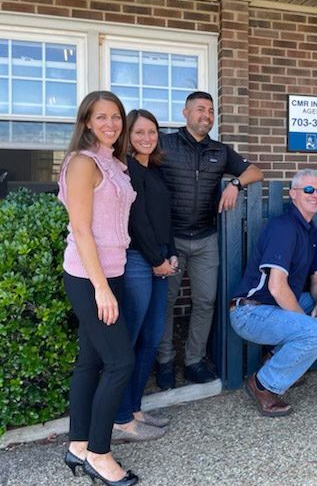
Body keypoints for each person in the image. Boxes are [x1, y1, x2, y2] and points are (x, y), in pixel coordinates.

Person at [156, 91, 263, 389]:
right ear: (185, 112)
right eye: (200, 109)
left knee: (205, 301)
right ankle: (164, 361)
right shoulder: (164, 145)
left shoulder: (220, 150)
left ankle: (194, 361)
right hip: (170, 239)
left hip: (205, 238)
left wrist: (235, 183)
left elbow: (256, 171)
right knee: (165, 301)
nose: (206, 115)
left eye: (211, 111)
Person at [58, 91, 138, 485]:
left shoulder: (112, 162)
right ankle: (99, 454)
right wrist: (101, 289)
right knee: (121, 362)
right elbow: (81, 230)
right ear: (87, 122)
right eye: (101, 117)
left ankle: (77, 445)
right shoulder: (82, 164)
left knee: (91, 361)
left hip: (114, 271)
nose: (111, 124)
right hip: (90, 276)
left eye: (116, 117)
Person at [229, 169, 317, 416]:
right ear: (293, 194)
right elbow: (276, 286)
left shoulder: (310, 230)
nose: (315, 195)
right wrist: (307, 323)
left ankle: (275, 358)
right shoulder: (284, 228)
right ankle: (263, 384)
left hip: (276, 307)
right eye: (309, 190)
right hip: (251, 312)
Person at [112, 110, 178, 443]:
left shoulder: (154, 170)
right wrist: (156, 258)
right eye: (139, 132)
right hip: (139, 261)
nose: (147, 138)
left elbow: (165, 217)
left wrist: (171, 253)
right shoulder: (128, 169)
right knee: (131, 339)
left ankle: (135, 409)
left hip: (160, 260)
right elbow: (137, 220)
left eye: (152, 132)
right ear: (127, 135)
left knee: (151, 337)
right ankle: (121, 418)